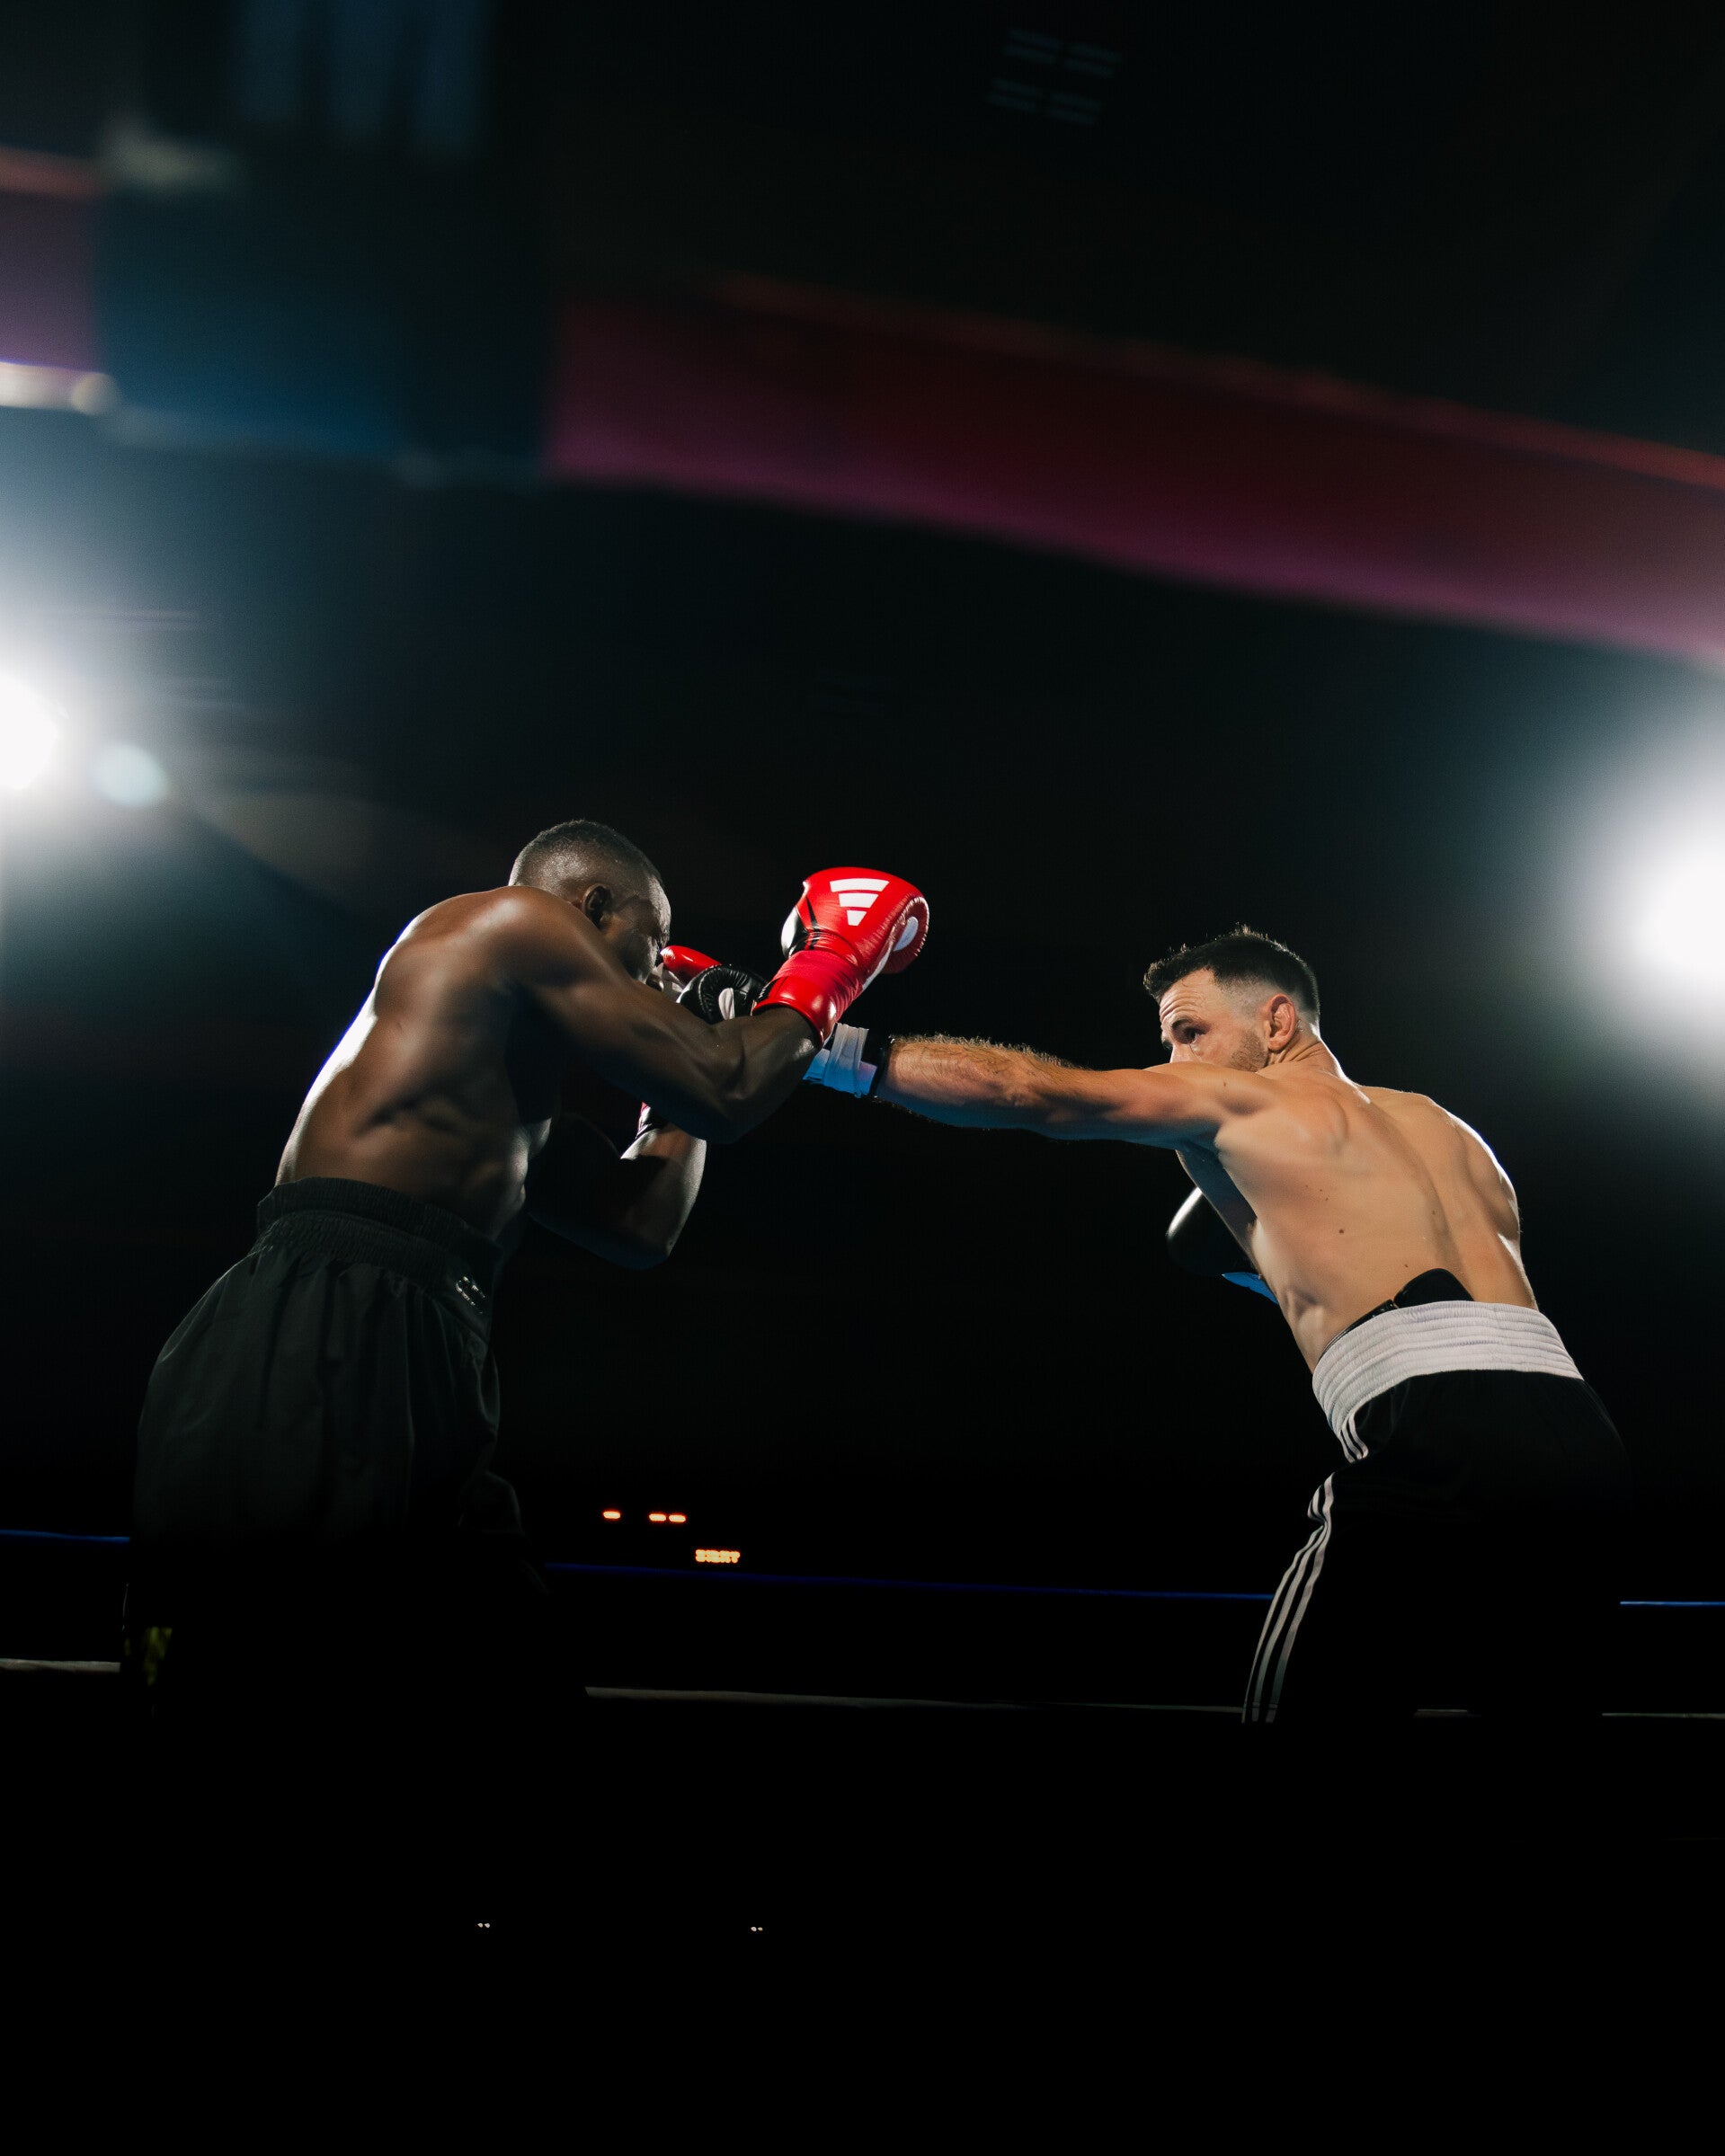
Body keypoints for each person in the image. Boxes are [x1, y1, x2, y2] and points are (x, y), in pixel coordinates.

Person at [125, 824, 928, 1797]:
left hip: (422, 1356)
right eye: (650, 944)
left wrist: (683, 1076)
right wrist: (831, 959)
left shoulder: (501, 1100)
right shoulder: (512, 920)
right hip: (318, 1329)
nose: (654, 974)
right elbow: (727, 1083)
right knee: (244, 1706)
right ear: (591, 908)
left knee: (517, 1699)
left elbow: (640, 1222)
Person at [793, 925, 1630, 1724]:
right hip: (1581, 1439)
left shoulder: (1242, 1099)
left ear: (1276, 1021)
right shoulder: (1448, 1126)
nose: (1175, 1062)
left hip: (1432, 1434)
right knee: (1542, 1743)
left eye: (1189, 1032)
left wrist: (820, 1043)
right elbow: (1432, 1291)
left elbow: (1029, 1092)